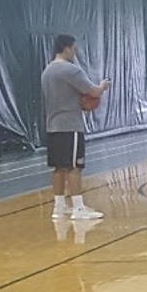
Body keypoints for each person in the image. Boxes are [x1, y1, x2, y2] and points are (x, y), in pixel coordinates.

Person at [41, 34, 110, 220]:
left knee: (58, 167)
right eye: (74, 49)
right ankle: (78, 208)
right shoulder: (71, 70)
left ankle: (59, 207)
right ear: (66, 49)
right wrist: (103, 86)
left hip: (52, 125)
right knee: (74, 167)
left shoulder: (46, 71)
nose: (74, 52)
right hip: (70, 125)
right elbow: (93, 91)